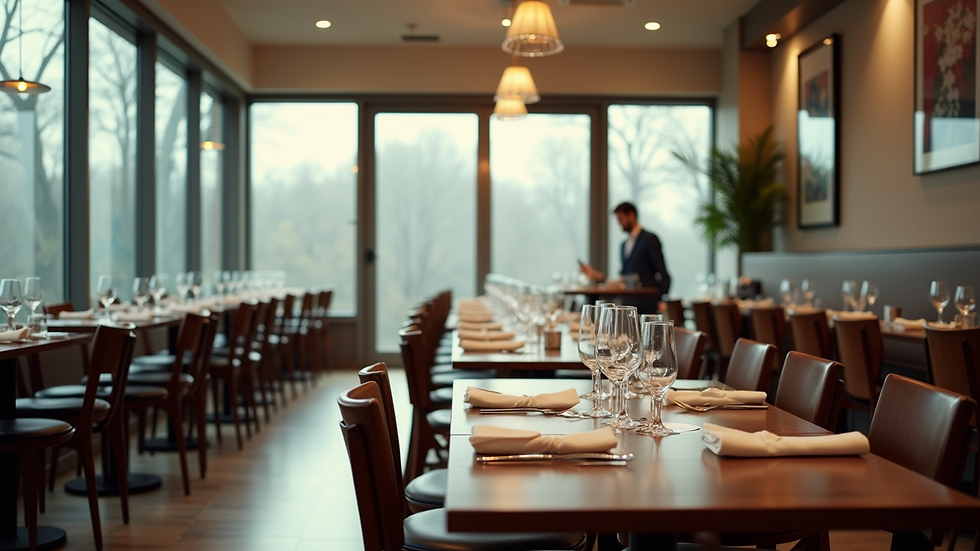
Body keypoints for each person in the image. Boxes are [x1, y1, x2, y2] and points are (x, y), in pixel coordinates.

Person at [579, 202, 671, 314]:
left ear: (631, 215)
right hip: (627, 304)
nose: (619, 223)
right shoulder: (623, 245)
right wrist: (597, 276)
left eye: (621, 219)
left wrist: (661, 300)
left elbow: (664, 274)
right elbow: (624, 277)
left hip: (647, 305)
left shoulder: (650, 239)